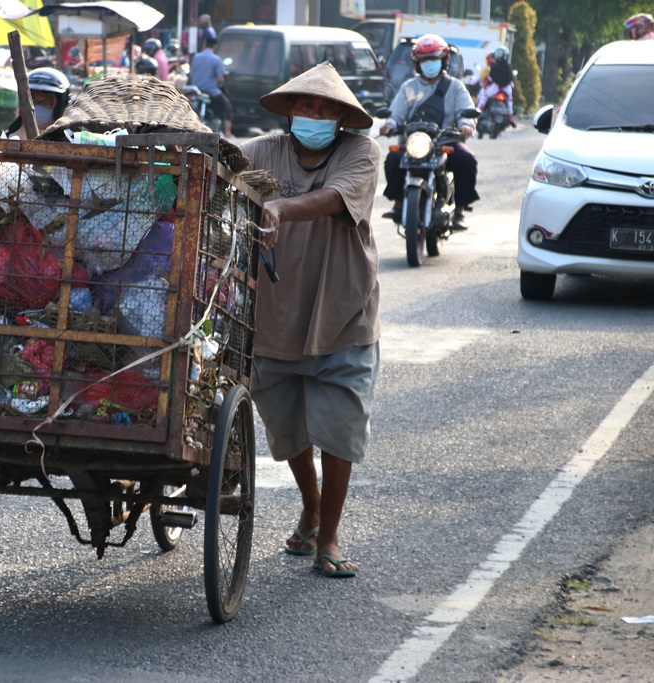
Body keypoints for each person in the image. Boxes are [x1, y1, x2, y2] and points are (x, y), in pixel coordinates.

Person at [236, 62, 380, 578]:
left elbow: (334, 199)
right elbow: (222, 162)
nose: (312, 115)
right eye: (304, 105)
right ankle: (312, 505)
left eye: (323, 109)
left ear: (341, 118)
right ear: (291, 109)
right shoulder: (264, 150)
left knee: (337, 428)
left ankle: (331, 535)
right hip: (274, 312)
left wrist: (278, 207)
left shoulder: (360, 153)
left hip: (342, 310)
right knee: (287, 427)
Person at [379, 34, 478, 228]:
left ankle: (459, 211)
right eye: (425, 60)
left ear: (443, 60)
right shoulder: (409, 87)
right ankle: (399, 205)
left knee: (467, 160)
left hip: (445, 141)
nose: (429, 64)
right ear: (417, 63)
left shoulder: (456, 87)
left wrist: (466, 125)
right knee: (392, 159)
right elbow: (396, 112)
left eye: (433, 59)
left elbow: (466, 111)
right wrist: (389, 124)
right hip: (414, 142)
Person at [2, 67, 71, 140]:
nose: (37, 108)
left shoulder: (71, 141)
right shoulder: (8, 138)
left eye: (45, 103)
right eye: (33, 102)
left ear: (59, 107)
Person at [188, 36, 233, 137]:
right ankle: (227, 132)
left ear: (205, 44)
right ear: (215, 46)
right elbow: (220, 78)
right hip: (211, 91)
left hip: (197, 91)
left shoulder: (196, 57)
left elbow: (191, 75)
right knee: (227, 107)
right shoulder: (216, 59)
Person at [475, 46, 516, 128]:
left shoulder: (494, 67)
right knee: (510, 100)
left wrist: (486, 86)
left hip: (496, 87)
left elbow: (490, 79)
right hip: (506, 88)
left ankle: (478, 113)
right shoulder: (509, 67)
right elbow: (511, 80)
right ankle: (510, 117)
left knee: (484, 96)